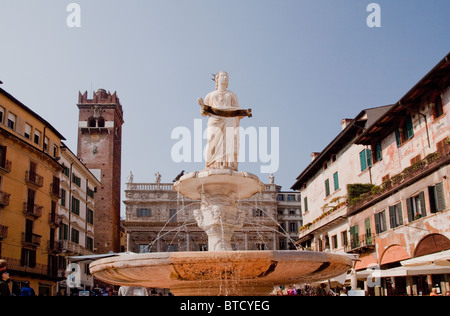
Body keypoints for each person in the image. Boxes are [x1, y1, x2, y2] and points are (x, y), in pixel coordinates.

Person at [198, 71, 244, 171]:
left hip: (229, 120)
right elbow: (204, 113)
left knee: (228, 142)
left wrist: (243, 113)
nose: (225, 78)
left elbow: (237, 110)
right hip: (214, 120)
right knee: (212, 141)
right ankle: (210, 165)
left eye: (226, 77)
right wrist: (202, 107)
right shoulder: (210, 95)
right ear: (217, 79)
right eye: (223, 76)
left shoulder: (231, 94)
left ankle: (228, 164)